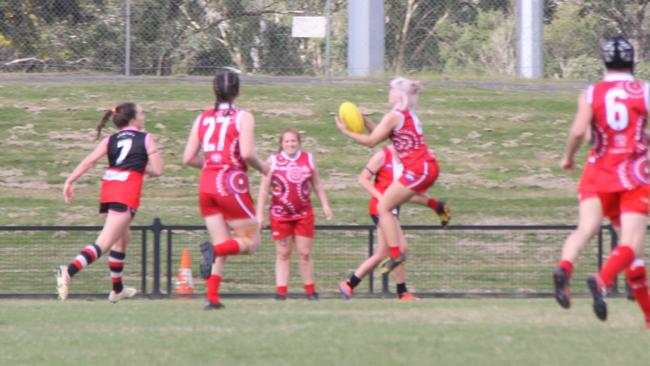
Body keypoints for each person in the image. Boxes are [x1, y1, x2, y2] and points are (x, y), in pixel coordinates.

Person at [558, 36, 650, 328]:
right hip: (634, 172)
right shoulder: (643, 91)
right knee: (632, 244)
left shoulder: (591, 93)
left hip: (600, 174)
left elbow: (578, 132)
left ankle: (565, 268)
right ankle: (602, 280)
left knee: (601, 237)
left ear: (604, 61)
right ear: (633, 60)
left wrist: (568, 158)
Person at [56, 102, 163, 302]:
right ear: (133, 119)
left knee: (122, 239)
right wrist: (141, 163)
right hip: (126, 191)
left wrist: (70, 180)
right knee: (104, 243)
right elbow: (157, 170)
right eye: (142, 113)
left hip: (110, 188)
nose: (144, 116)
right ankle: (68, 270)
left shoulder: (110, 139)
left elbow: (89, 160)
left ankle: (117, 290)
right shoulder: (146, 138)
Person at [183, 68, 269, 310]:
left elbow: (188, 157)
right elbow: (247, 153)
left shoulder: (202, 118)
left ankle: (212, 298)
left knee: (223, 242)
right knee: (250, 241)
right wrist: (263, 168)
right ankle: (213, 250)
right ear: (238, 92)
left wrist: (211, 163)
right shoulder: (243, 117)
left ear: (214, 90)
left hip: (207, 183)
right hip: (230, 182)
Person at [335, 77, 441, 275]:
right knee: (388, 205)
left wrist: (346, 131)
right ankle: (437, 207)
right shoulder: (406, 113)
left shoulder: (393, 115)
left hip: (419, 168)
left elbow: (371, 142)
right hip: (425, 166)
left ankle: (395, 254)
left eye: (391, 89)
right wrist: (365, 121)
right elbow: (382, 134)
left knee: (383, 206)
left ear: (398, 95)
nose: (388, 92)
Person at [338, 143, 449, 300]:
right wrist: (381, 198)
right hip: (380, 208)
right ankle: (402, 292)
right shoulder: (382, 155)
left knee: (382, 253)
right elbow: (362, 179)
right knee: (400, 248)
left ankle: (349, 284)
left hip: (391, 208)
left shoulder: (407, 158)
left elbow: (409, 192)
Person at [256, 129, 333, 300]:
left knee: (304, 253)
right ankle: (281, 291)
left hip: (303, 213)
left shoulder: (308, 159)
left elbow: (317, 185)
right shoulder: (274, 161)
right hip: (280, 214)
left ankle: (310, 291)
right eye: (287, 141)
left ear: (299, 142)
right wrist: (259, 214)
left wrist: (325, 205)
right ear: (281, 144)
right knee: (283, 253)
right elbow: (263, 189)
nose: (291, 144)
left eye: (293, 141)